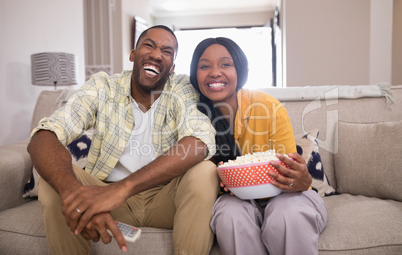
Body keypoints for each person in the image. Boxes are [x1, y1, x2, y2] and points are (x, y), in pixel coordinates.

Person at [27, 25, 219, 255]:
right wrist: (74, 197)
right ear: (132, 54)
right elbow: (44, 137)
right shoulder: (103, 87)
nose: (157, 54)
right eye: (149, 45)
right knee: (52, 182)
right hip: (107, 198)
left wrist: (123, 188)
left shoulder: (182, 88)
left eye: (167, 51)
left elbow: (198, 142)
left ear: (172, 67)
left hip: (165, 199)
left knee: (205, 171)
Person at [189, 37, 327, 255]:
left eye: (225, 64)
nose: (215, 72)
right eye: (205, 66)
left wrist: (303, 179)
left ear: (240, 70)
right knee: (229, 214)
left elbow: (291, 174)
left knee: (286, 213)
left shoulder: (268, 106)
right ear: (195, 75)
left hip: (286, 196)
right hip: (236, 200)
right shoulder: (192, 116)